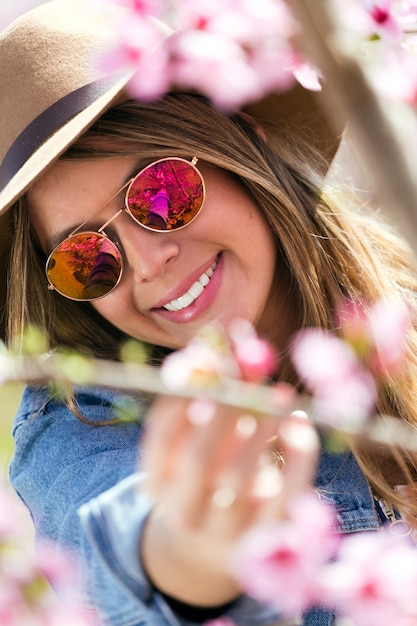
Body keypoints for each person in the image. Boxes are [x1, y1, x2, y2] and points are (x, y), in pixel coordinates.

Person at [1, 1, 417, 625]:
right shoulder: (80, 428)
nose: (146, 263)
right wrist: (188, 563)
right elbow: (119, 540)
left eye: (159, 191)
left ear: (246, 141)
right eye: (86, 256)